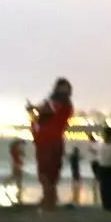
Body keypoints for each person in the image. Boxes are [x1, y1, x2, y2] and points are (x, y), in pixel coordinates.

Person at [29, 77, 76, 211]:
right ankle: (49, 199)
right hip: (48, 141)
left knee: (47, 173)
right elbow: (43, 113)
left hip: (48, 142)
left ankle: (49, 201)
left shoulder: (60, 103)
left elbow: (46, 110)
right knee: (50, 173)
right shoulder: (62, 104)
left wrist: (34, 109)